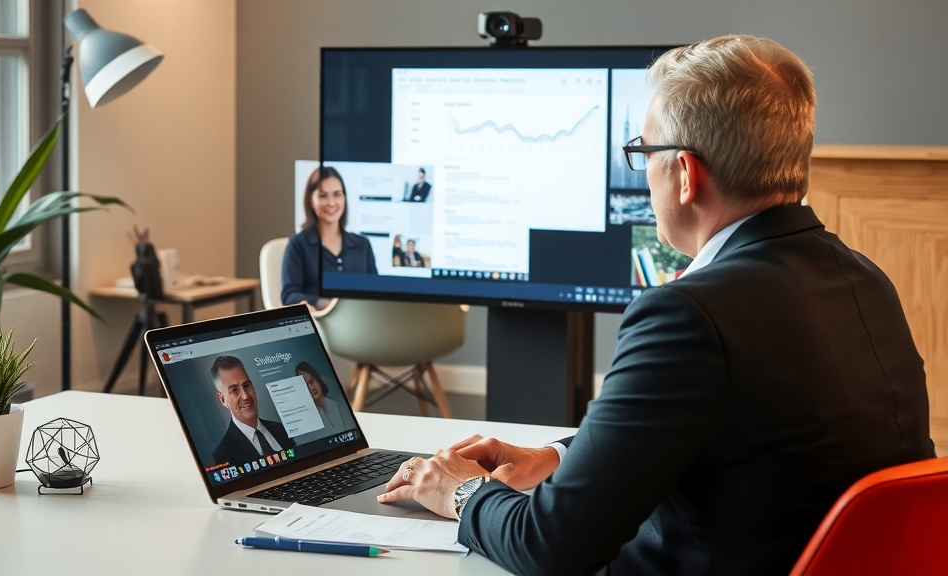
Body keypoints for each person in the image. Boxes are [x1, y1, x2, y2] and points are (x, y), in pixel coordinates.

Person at [378, 35, 934, 575]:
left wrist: (463, 492)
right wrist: (558, 457)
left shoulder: (690, 314)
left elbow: (551, 548)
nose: (643, 171)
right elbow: (724, 436)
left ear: (686, 174)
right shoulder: (865, 279)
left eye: (644, 153)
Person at [282, 166, 378, 312]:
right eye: (323, 196)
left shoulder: (362, 245)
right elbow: (289, 295)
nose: (331, 203)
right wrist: (322, 304)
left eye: (337, 195)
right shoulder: (297, 245)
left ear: (344, 198)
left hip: (360, 319)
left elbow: (374, 291)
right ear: (310, 200)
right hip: (319, 320)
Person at [211, 355, 294, 465]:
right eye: (234, 390)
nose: (245, 396)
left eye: (246, 386)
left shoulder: (280, 429)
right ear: (223, 399)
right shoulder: (223, 454)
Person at [296, 361, 353, 432]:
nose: (311, 387)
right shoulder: (306, 421)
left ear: (318, 380)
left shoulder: (340, 405)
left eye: (311, 381)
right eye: (305, 385)